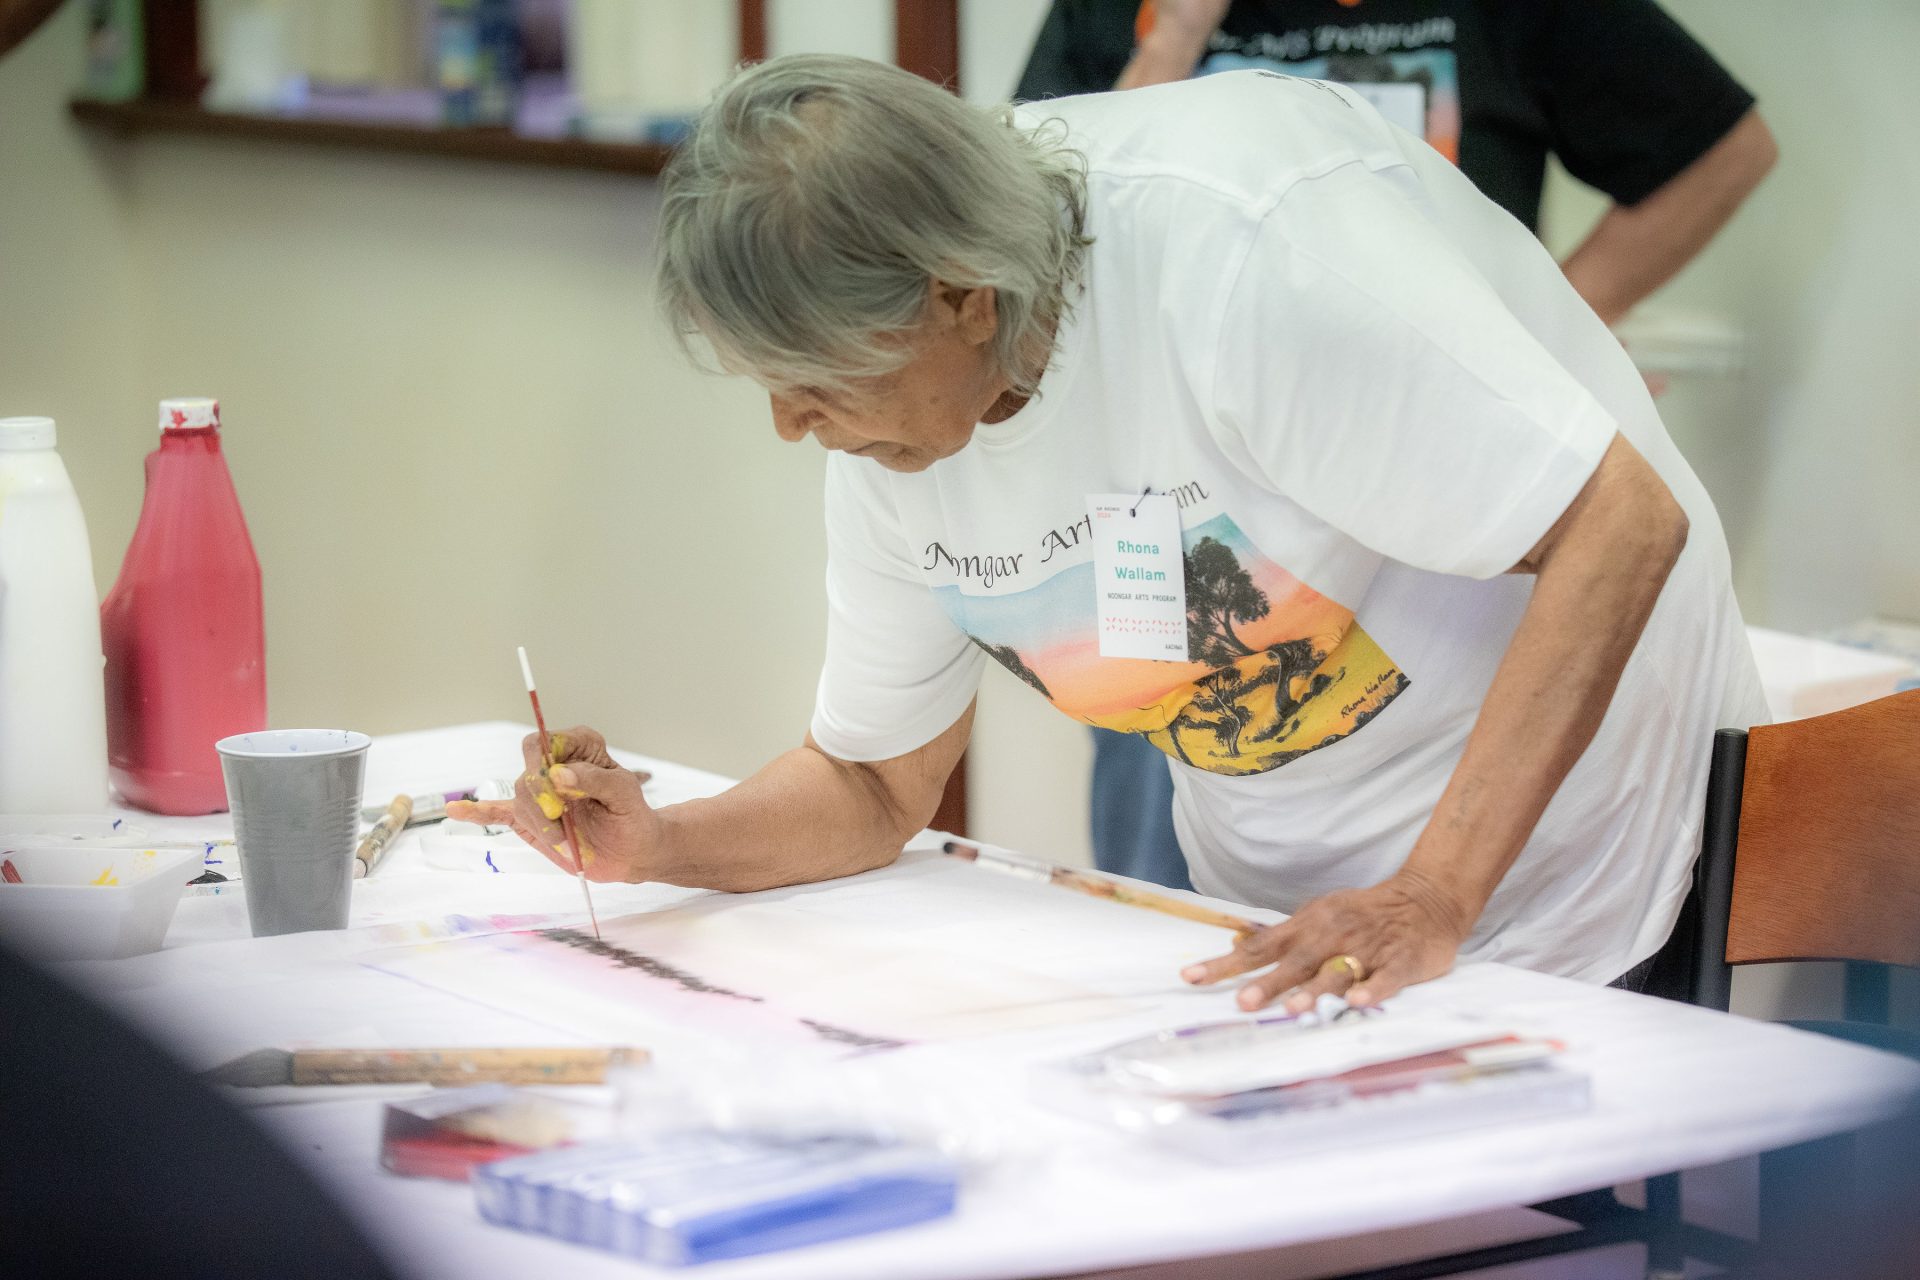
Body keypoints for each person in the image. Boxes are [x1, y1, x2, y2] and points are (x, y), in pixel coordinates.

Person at [454, 53, 1767, 1013]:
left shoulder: (1247, 260)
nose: (792, 427)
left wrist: (1434, 893)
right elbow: (871, 786)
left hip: (1564, 842)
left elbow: (1619, 525)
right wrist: (662, 842)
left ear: (963, 301)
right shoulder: (903, 436)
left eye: (816, 379)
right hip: (1298, 880)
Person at [1017, 0, 1778, 892]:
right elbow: (1042, 209)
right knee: (1176, 837)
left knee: (1443, 838)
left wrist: (1549, 330)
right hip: (1170, 502)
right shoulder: (1110, 9)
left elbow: (1724, 149)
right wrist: (1177, 35)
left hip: (1422, 485)